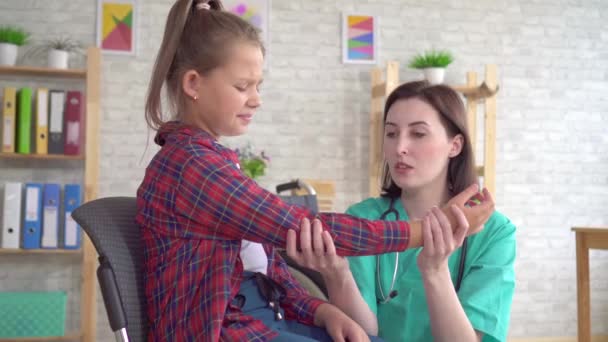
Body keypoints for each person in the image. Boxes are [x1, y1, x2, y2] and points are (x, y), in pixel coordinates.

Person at [136, 0, 496, 340]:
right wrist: (429, 231)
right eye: (242, 86)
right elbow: (308, 229)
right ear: (193, 84)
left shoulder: (214, 162)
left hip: (265, 315)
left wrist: (324, 311)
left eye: (258, 86)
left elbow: (269, 271)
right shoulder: (193, 167)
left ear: (456, 144)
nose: (257, 98)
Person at [287, 81, 516, 342]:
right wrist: (337, 275)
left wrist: (435, 270)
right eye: (391, 134)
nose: (399, 148)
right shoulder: (363, 218)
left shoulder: (495, 232)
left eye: (418, 134)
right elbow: (364, 335)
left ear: (455, 145)